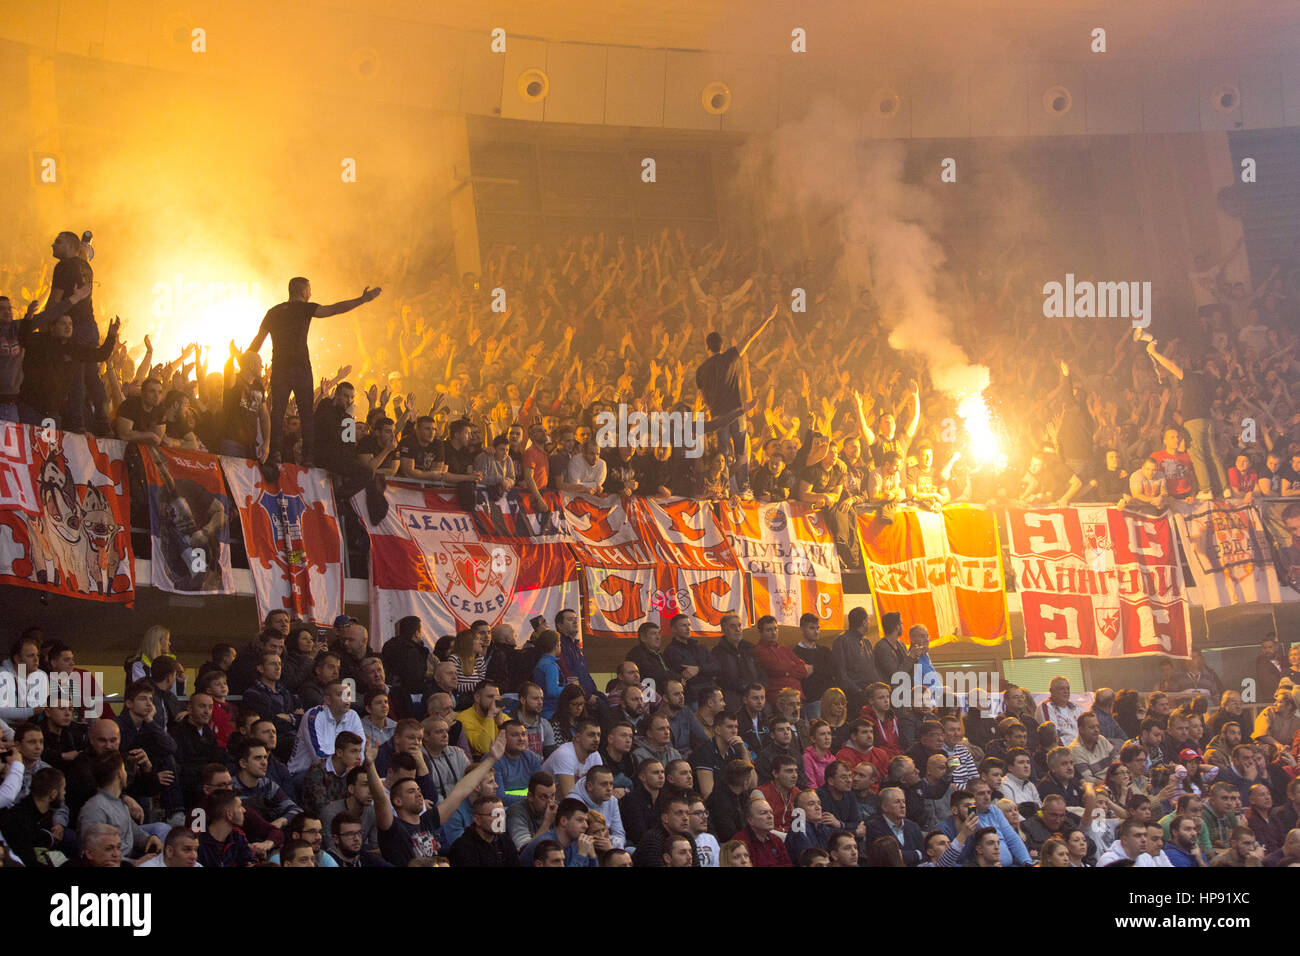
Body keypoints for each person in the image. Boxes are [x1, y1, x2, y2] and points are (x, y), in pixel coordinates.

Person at [247, 276, 382, 468]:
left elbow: (257, 342)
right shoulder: (305, 308)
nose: (311, 293)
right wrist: (361, 300)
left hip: (280, 367)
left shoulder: (273, 312)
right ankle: (309, 456)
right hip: (300, 367)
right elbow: (334, 309)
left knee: (277, 411)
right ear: (303, 291)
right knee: (306, 413)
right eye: (309, 290)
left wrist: (243, 359)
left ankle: (275, 452)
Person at [371, 731, 506, 866]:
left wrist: (491, 759)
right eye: (411, 791)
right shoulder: (394, 828)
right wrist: (370, 765)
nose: (419, 794)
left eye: (419, 790)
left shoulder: (427, 821)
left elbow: (461, 791)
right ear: (397, 801)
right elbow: (380, 799)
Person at [695, 307, 778, 493]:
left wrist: (713, 413)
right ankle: (743, 487)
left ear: (707, 347)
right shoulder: (729, 356)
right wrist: (766, 319)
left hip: (718, 417)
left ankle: (723, 487)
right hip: (736, 412)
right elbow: (748, 337)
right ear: (722, 346)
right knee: (741, 451)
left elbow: (703, 398)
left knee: (723, 452)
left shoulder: (700, 370)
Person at [289, 679, 365, 774]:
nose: (346, 699)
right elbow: (320, 758)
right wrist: (347, 769)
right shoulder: (313, 716)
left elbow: (361, 749)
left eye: (348, 695)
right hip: (302, 774)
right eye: (340, 694)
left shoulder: (353, 716)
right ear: (327, 700)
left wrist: (353, 768)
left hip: (342, 772)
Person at [518, 797, 599, 867]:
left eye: (586, 821)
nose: (586, 826)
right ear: (563, 821)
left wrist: (593, 856)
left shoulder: (578, 843)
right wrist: (581, 855)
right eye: (580, 820)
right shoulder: (544, 844)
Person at [447, 796, 521, 868]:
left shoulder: (505, 841)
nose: (500, 820)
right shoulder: (462, 848)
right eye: (495, 815)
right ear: (477, 819)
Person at [540, 716, 603, 798]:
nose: (596, 739)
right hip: (549, 803)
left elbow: (600, 790)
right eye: (591, 735)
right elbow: (570, 797)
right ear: (577, 737)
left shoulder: (595, 755)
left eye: (598, 735)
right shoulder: (564, 754)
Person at [712, 613, 763, 713]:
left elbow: (761, 671)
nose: (737, 629)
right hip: (733, 694)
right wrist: (744, 688)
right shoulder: (718, 652)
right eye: (732, 626)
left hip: (755, 692)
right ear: (723, 630)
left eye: (739, 625)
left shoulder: (750, 648)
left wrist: (761, 687)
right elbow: (722, 679)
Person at [831, 607, 878, 714]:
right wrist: (858, 691)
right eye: (868, 620)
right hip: (852, 698)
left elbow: (872, 670)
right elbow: (840, 673)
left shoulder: (867, 642)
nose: (869, 623)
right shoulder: (841, 641)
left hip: (869, 696)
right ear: (864, 622)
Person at [865, 786, 925, 865]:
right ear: (884, 807)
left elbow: (924, 854)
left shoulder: (913, 826)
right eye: (897, 802)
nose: (902, 806)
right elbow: (886, 857)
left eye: (903, 801)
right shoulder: (873, 827)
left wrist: (901, 854)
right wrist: (916, 854)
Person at [753, 615, 807, 699]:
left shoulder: (785, 649)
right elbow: (776, 668)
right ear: (760, 632)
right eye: (769, 630)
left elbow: (803, 670)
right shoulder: (759, 650)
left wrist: (787, 672)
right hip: (779, 698)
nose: (774, 633)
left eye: (775, 628)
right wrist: (792, 666)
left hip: (799, 696)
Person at [731, 797, 791, 867]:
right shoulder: (740, 841)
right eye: (763, 813)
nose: (770, 816)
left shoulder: (776, 840)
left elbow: (788, 864)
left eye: (771, 812)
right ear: (750, 820)